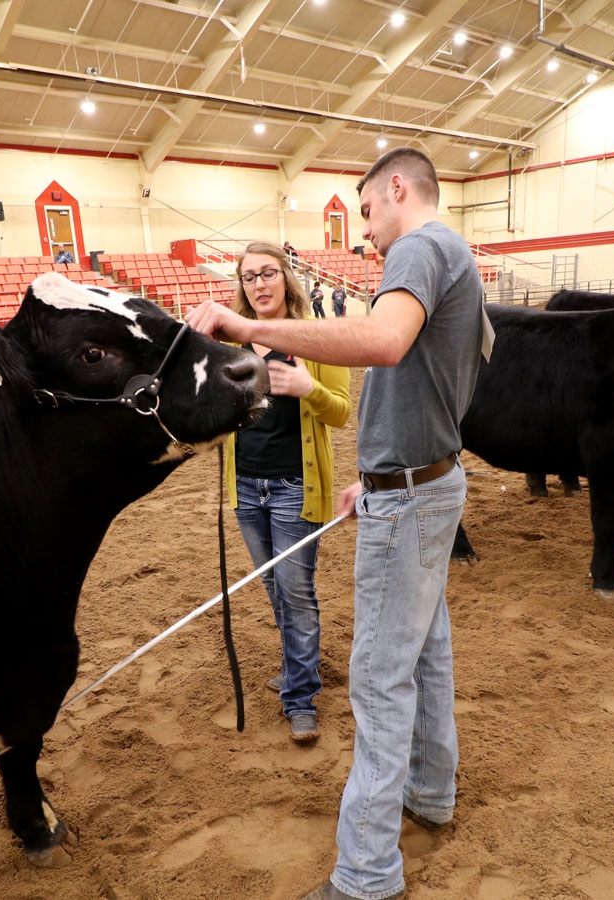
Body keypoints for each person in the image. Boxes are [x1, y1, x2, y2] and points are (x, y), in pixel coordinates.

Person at [186, 147, 485, 900]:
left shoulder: (420, 247)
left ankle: (365, 876)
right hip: (423, 482)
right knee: (426, 657)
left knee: (380, 680)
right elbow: (424, 372)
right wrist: (377, 475)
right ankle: (432, 794)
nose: (367, 232)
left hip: (413, 496)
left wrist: (245, 327)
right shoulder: (453, 253)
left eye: (366, 212)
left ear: (395, 189)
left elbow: (382, 342)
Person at [222, 240, 351, 744]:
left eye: (267, 274)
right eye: (249, 277)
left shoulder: (318, 338)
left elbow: (340, 412)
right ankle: (298, 669)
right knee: (276, 590)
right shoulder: (230, 346)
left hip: (297, 488)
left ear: (286, 278)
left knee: (296, 594)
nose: (259, 285)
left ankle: (300, 697)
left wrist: (308, 388)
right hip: (247, 489)